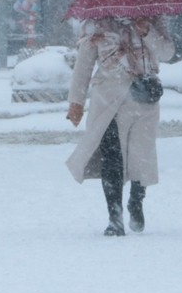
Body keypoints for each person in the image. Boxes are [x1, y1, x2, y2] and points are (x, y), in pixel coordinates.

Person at [66, 15, 175, 235]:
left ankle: (136, 199)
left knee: (140, 156)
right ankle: (114, 217)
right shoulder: (97, 23)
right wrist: (75, 101)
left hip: (143, 100)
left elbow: (167, 53)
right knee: (112, 160)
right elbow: (84, 64)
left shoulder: (152, 19)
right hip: (108, 101)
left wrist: (147, 31)